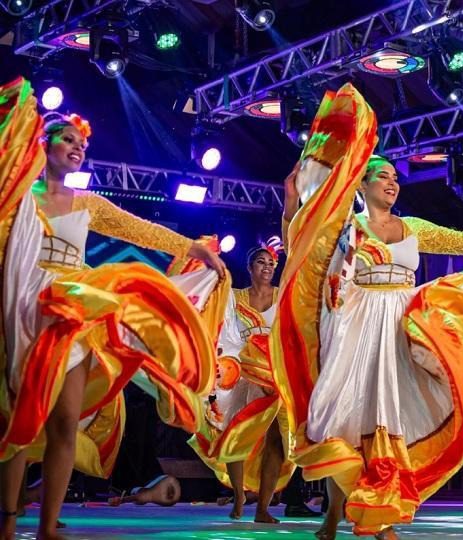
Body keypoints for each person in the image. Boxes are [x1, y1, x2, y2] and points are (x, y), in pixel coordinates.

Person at [267, 84, 463, 539]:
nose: (392, 183)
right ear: (363, 184)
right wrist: (292, 203)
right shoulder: (348, 227)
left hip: (403, 325)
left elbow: (462, 239)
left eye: (396, 178)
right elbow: (302, 247)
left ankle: (382, 511)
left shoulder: (412, 227)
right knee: (351, 421)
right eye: (383, 177)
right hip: (358, 326)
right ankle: (337, 514)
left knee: (392, 419)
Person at [0, 79, 227, 540]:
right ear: (43, 144)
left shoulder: (90, 204)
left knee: (64, 421)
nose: (78, 148)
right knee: (20, 417)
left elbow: (140, 230)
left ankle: (46, 527)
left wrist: (193, 249)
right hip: (24, 310)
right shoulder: (17, 201)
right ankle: (6, 525)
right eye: (68, 139)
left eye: (83, 144)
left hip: (75, 312)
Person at [189, 245, 320, 522]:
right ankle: (238, 495)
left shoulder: (283, 297)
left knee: (275, 439)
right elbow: (218, 323)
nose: (267, 267)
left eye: (271, 263)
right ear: (250, 268)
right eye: (261, 262)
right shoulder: (234, 298)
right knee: (238, 433)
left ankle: (263, 507)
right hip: (242, 373)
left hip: (273, 375)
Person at [108, 475, 181, 507]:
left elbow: (139, 496)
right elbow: (139, 497)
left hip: (167, 483)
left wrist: (122, 500)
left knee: (142, 495)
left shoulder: (142, 492)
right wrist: (122, 500)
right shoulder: (147, 492)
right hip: (168, 481)